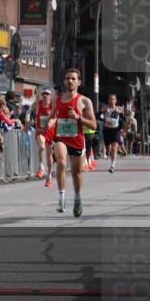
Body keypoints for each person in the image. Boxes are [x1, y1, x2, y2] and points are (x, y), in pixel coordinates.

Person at [47, 68, 97, 217]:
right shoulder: (58, 99)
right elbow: (52, 116)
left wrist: (79, 117)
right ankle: (62, 198)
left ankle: (77, 198)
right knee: (61, 162)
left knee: (76, 173)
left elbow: (94, 125)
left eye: (73, 79)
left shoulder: (84, 101)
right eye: (67, 78)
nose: (70, 81)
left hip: (76, 139)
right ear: (64, 81)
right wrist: (46, 125)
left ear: (79, 82)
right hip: (60, 138)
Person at [34, 89, 55, 185]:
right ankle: (41, 167)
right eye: (43, 94)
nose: (45, 95)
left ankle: (49, 175)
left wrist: (49, 125)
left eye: (47, 94)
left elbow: (55, 118)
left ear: (50, 96)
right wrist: (27, 123)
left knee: (49, 155)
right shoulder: (38, 104)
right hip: (40, 131)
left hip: (50, 132)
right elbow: (28, 111)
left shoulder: (53, 105)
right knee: (41, 146)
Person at [100, 94, 125, 173]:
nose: (112, 101)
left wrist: (120, 115)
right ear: (108, 100)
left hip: (115, 130)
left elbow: (123, 119)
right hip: (107, 130)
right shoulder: (105, 108)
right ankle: (110, 156)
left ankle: (112, 165)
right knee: (109, 149)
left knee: (114, 148)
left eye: (113, 99)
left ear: (116, 101)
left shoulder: (119, 109)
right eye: (110, 99)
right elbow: (98, 115)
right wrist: (103, 119)